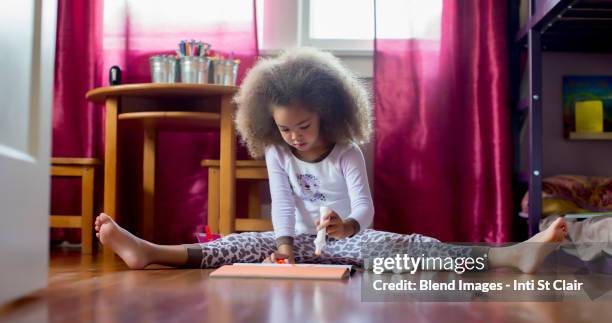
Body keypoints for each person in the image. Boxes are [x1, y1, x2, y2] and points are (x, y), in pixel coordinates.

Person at [95, 47, 567, 273]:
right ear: (269, 124)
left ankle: (510, 255)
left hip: (347, 244)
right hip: (296, 245)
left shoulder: (346, 154)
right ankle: (149, 252)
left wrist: (348, 227)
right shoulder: (278, 152)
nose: (295, 137)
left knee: (407, 247)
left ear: (329, 116)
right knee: (237, 245)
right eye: (285, 129)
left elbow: (364, 208)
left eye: (304, 127)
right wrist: (280, 245)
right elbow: (281, 203)